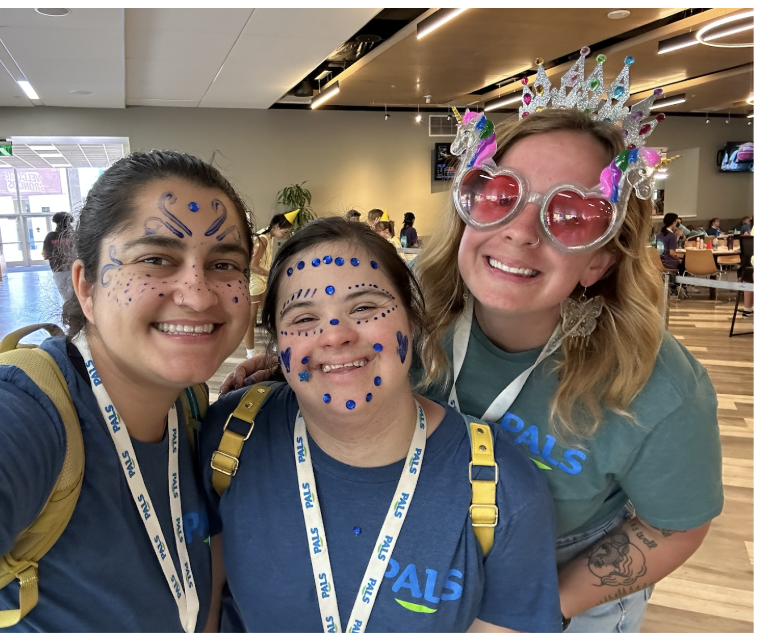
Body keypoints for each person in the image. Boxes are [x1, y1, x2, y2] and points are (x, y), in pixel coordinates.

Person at [224, 93, 724, 632]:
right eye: (501, 196)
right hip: (417, 561)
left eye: (570, 216)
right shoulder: (408, 317)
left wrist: (539, 605)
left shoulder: (655, 383)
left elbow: (676, 527)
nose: (521, 231)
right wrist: (289, 371)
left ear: (598, 261)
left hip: (561, 577)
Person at [0, 151, 255, 631]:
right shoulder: (13, 412)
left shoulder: (190, 408)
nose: (199, 294)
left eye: (224, 264)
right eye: (155, 259)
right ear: (85, 287)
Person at [203, 218, 562, 632]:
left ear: (412, 318)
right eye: (303, 318)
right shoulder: (230, 434)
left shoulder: (504, 489)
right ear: (279, 342)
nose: (335, 336)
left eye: (364, 308)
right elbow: (206, 602)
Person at [245, 213, 293, 358]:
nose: (285, 235)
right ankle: (250, 354)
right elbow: (253, 265)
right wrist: (271, 273)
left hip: (262, 283)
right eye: (284, 232)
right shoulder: (263, 239)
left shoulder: (268, 237)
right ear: (276, 227)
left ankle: (275, 346)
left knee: (272, 314)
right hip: (255, 285)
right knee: (250, 321)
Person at [42, 211, 74, 301]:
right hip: (73, 268)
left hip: (58, 269)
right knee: (74, 293)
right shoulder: (74, 235)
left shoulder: (50, 236)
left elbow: (45, 254)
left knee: (65, 295)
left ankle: (68, 307)